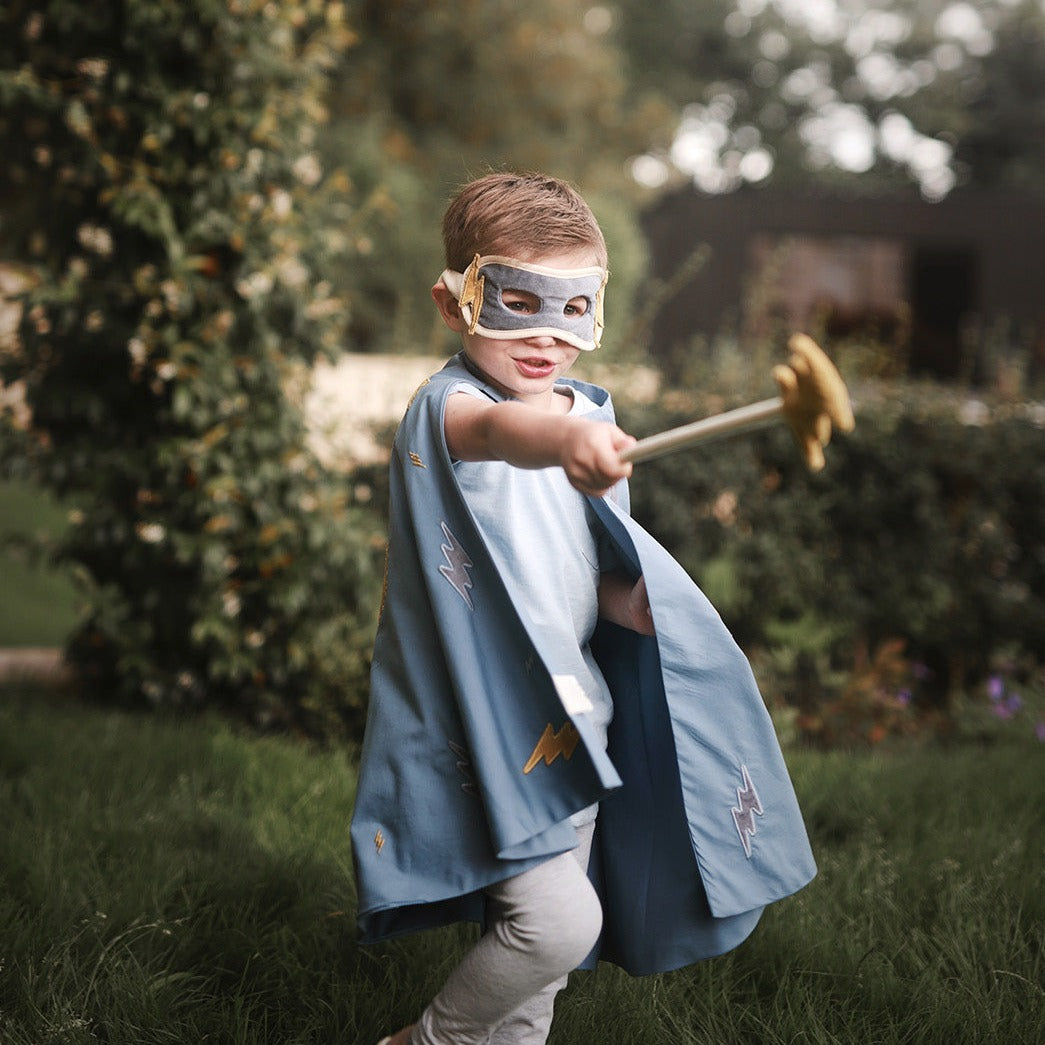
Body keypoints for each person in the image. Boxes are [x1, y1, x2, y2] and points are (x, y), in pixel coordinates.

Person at [351, 172, 816, 1045]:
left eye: (570, 309)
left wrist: (628, 601)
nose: (543, 336)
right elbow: (503, 436)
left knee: (536, 975)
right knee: (558, 924)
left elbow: (561, 564)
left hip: (571, 728)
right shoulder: (450, 410)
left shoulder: (585, 415)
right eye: (514, 302)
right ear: (455, 305)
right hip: (485, 733)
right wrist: (565, 440)